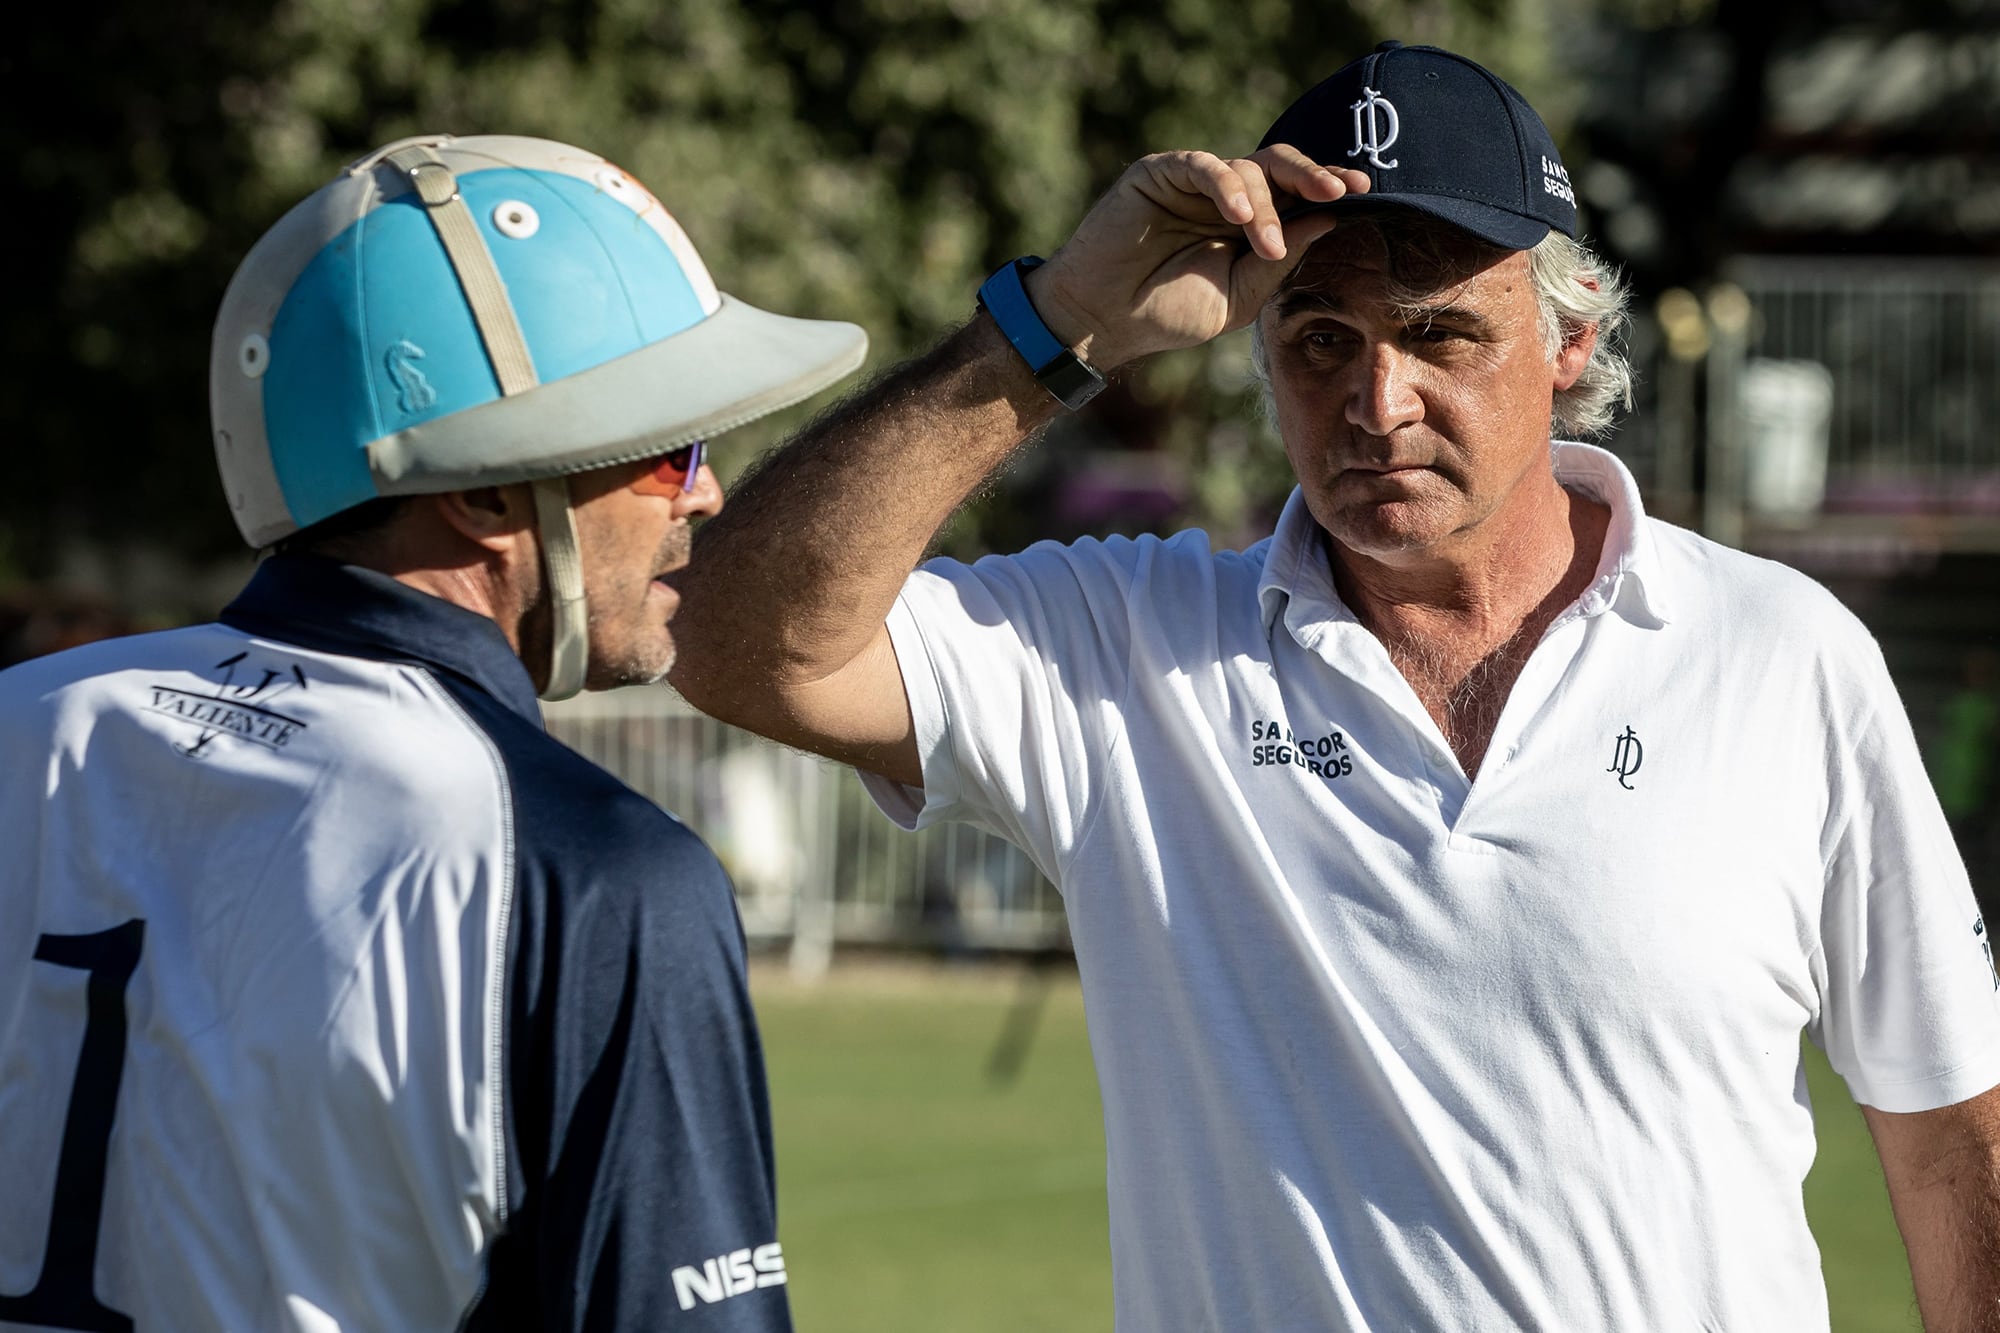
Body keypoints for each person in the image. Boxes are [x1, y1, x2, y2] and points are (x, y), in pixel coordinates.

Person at [668, 42, 2000, 1331]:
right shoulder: (1127, 649)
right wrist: (1058, 322)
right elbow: (731, 637)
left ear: (1568, 341)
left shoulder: (1779, 653)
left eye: (1440, 334)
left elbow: (1953, 1138)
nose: (1378, 396)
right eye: (1317, 339)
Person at [0, 135, 864, 1331]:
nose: (705, 493)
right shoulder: (594, 869)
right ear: (486, 490)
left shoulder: (25, 719)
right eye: (674, 448)